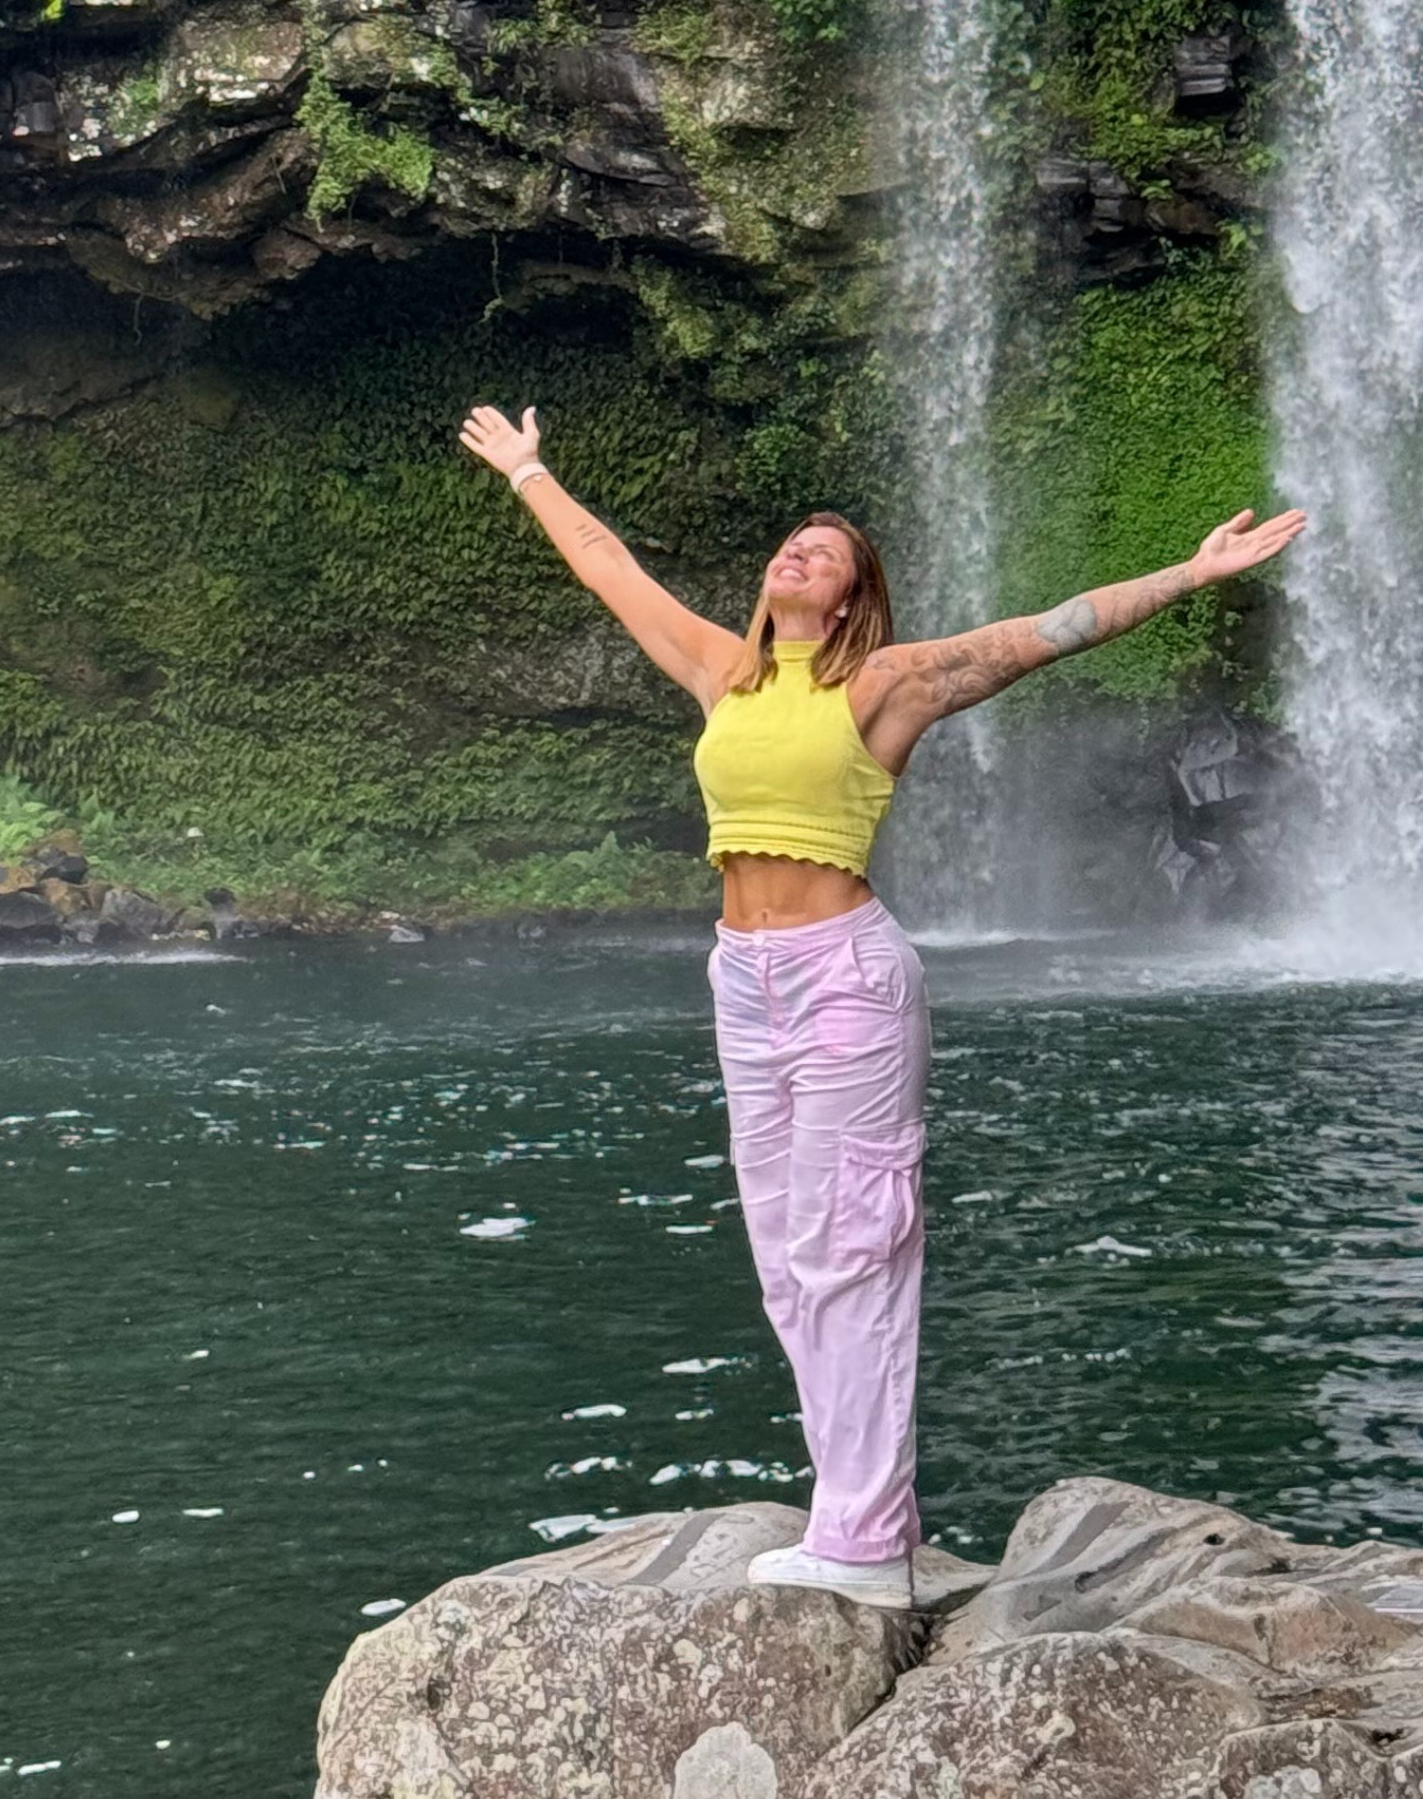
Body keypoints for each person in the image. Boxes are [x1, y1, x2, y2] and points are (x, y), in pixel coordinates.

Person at [455, 404, 1308, 1609]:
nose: (798, 551)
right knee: (786, 1261)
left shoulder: (886, 685)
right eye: (789, 542)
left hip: (846, 978)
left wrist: (1195, 570)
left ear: (855, 595)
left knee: (852, 1247)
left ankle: (862, 1544)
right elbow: (610, 568)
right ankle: (857, 1515)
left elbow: (1041, 635)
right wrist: (533, 471)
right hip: (740, 980)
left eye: (827, 548)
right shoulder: (723, 669)